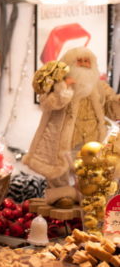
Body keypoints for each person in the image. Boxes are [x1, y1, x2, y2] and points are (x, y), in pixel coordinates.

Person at [23, 47, 120, 208]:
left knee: (90, 170)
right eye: (79, 61)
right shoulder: (58, 85)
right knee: (59, 168)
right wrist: (64, 88)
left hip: (92, 137)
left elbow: (112, 107)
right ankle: (60, 195)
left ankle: (85, 196)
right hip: (63, 136)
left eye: (87, 61)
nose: (83, 65)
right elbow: (48, 103)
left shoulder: (99, 87)